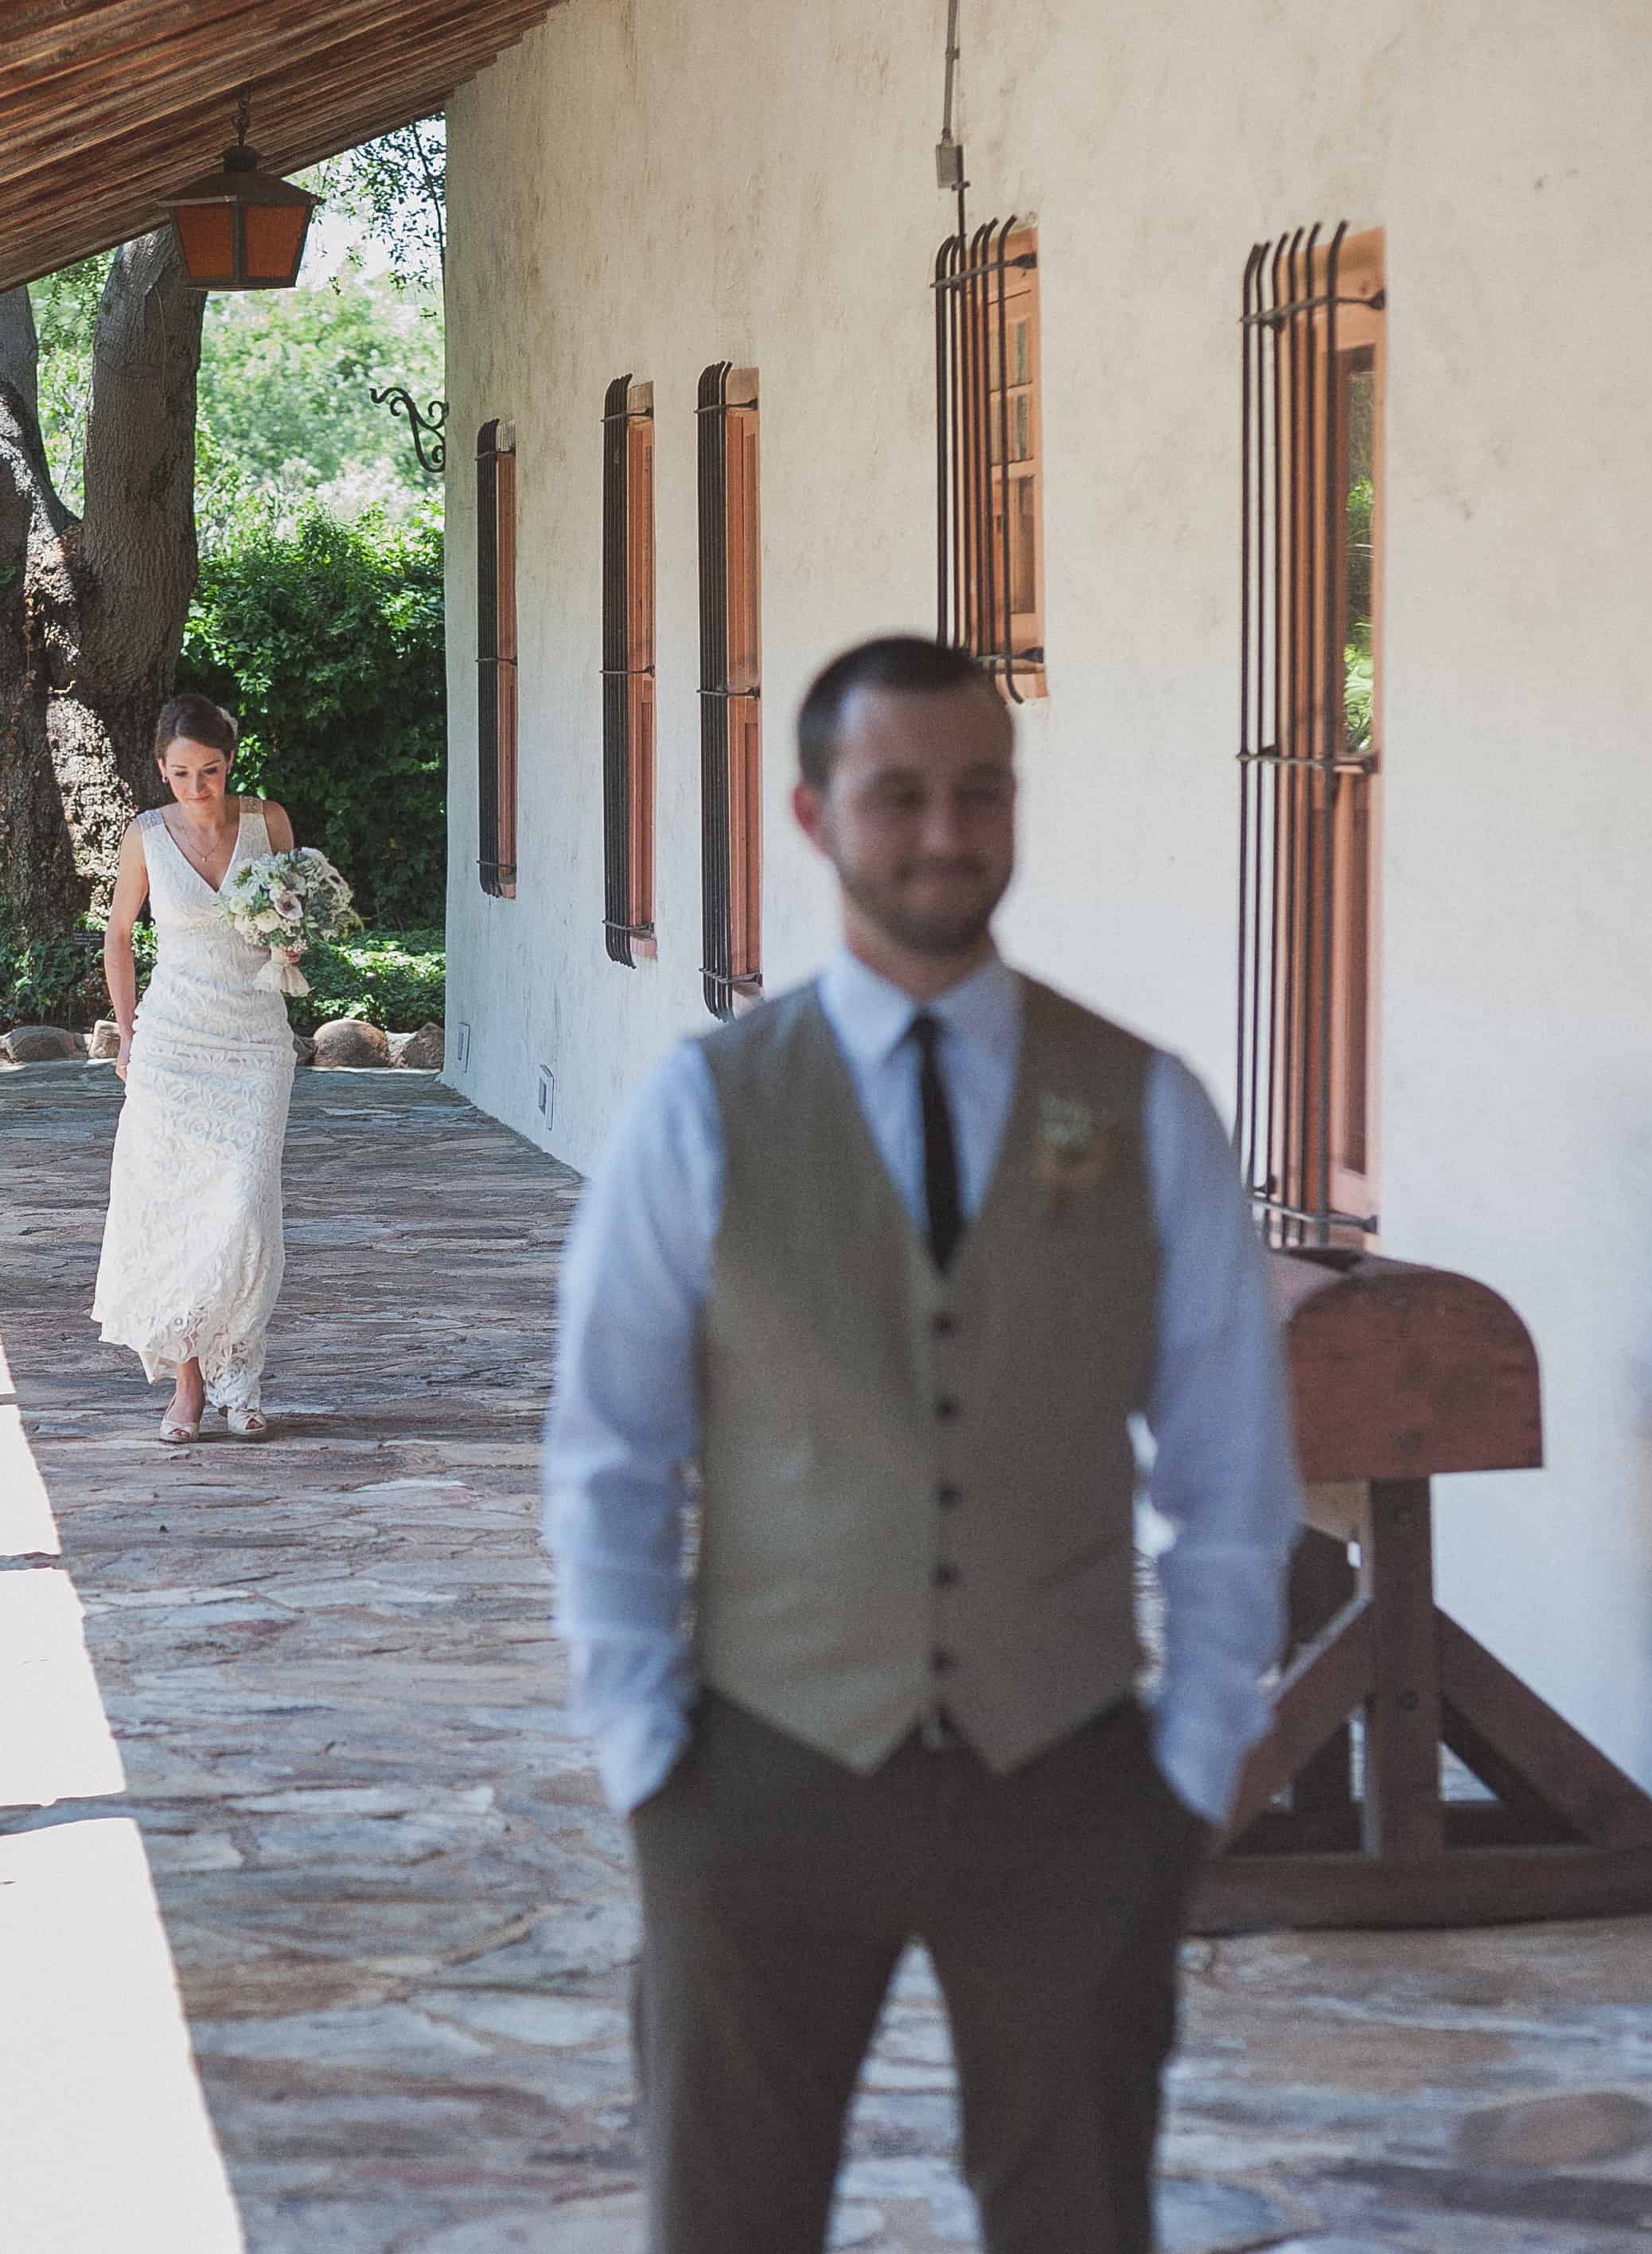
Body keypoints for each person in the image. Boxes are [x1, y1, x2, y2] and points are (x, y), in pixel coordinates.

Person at [542, 636, 1304, 2253]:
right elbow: (609, 1449)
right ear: (815, 817)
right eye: (898, 796)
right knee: (729, 2216)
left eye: (978, 792)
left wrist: (1196, 1749)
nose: (943, 832)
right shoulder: (703, 1109)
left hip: (1070, 1769)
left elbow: (1230, 1453)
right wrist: (642, 1753)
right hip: (759, 1766)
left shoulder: (1145, 1102)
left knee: (1077, 2216)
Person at [92, 692, 299, 1445]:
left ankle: (237, 1372)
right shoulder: (145, 835)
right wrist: (126, 1033)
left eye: (209, 771)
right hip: (173, 1044)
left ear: (229, 762)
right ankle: (188, 1382)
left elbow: (292, 914)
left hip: (253, 1042)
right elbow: (119, 936)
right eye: (181, 774)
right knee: (176, 1212)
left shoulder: (268, 822)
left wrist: (291, 946)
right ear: (161, 768)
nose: (196, 788)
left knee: (241, 1209)